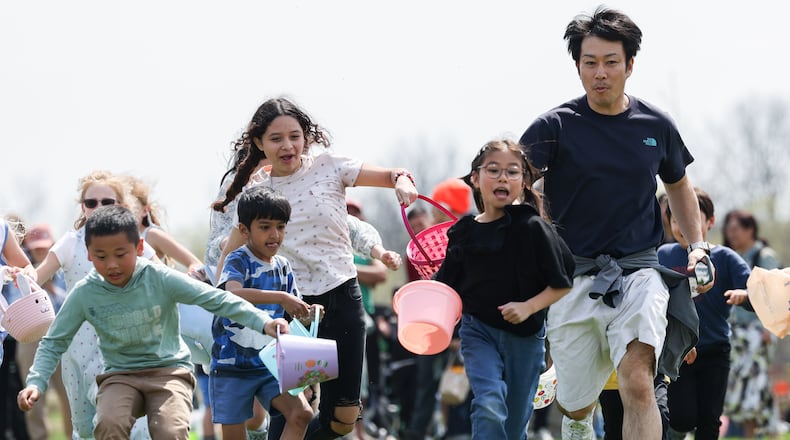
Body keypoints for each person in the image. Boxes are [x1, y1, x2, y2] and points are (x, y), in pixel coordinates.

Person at [519, 6, 712, 439]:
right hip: (573, 274)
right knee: (575, 402)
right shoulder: (554, 126)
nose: (600, 73)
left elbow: (678, 184)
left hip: (639, 270)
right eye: (590, 63)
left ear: (630, 64)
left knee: (638, 379)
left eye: (610, 62)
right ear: (577, 66)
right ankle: (576, 411)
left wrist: (698, 244)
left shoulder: (655, 125)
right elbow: (515, 182)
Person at [213, 96, 418, 439]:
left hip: (343, 294)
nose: (287, 145)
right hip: (294, 307)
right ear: (260, 143)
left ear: (306, 136)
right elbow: (231, 257)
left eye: (294, 136)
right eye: (276, 139)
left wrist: (402, 181)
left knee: (343, 418)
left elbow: (392, 174)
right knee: (296, 408)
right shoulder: (259, 193)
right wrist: (218, 301)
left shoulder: (330, 166)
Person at [17, 205, 289, 439]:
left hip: (169, 372)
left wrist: (263, 321)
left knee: (169, 431)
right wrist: (36, 382)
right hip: (119, 375)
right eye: (101, 256)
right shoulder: (86, 292)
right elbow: (55, 341)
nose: (111, 264)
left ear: (139, 248)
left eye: (120, 254)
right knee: (109, 424)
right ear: (88, 254)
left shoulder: (158, 278)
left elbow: (218, 300)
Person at [432, 139, 574, 438]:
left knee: (514, 424)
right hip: (478, 331)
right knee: (490, 404)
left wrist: (528, 307)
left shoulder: (533, 228)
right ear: (475, 178)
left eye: (512, 172)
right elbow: (445, 288)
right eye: (493, 170)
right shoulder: (463, 230)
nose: (502, 178)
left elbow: (562, 284)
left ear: (523, 182)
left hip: (525, 337)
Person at [33, 170, 159, 439]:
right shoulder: (70, 242)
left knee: (128, 423)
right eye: (91, 203)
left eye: (106, 202)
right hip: (77, 349)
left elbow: (163, 278)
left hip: (124, 346)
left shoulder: (134, 242)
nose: (98, 208)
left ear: (121, 206)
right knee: (85, 428)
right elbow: (37, 277)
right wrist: (17, 276)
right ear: (83, 207)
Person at [211, 186, 315, 440]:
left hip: (271, 363)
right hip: (232, 364)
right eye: (265, 226)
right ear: (245, 230)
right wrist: (281, 297)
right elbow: (232, 294)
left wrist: (310, 314)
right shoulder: (238, 260)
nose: (274, 235)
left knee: (302, 414)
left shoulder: (283, 266)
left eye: (280, 227)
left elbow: (295, 310)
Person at [658, 188, 753, 439]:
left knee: (709, 422)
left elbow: (753, 289)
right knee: (681, 417)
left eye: (689, 218)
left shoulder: (724, 257)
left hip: (715, 350)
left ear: (709, 221)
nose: (681, 225)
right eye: (675, 219)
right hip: (677, 353)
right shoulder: (661, 256)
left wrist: (744, 296)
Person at [722, 209, 782, 438]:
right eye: (728, 230)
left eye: (735, 229)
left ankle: (771, 431)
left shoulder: (763, 256)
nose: (731, 234)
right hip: (739, 337)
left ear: (750, 230)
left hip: (759, 333)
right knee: (746, 392)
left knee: (758, 390)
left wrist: (770, 328)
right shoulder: (736, 258)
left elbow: (776, 295)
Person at [16, 223, 73, 440]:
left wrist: (52, 292)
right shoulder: (19, 276)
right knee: (33, 401)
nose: (40, 253)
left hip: (61, 337)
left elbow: (73, 305)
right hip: (30, 339)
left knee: (69, 397)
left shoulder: (64, 275)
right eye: (35, 249)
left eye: (44, 248)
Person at [122, 174, 204, 275]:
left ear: (145, 210)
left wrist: (186, 282)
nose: (126, 212)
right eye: (122, 207)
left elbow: (195, 263)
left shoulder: (152, 235)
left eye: (132, 207)